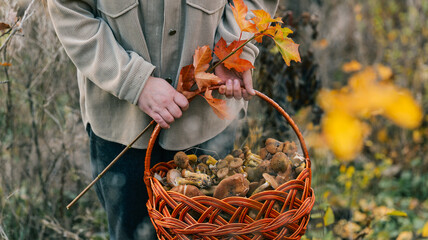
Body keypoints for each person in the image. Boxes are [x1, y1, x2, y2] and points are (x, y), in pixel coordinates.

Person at [47, 0, 279, 239]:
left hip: (206, 123)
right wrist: (134, 81)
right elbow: (68, 9)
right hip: (123, 128)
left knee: (208, 232)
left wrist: (234, 51)